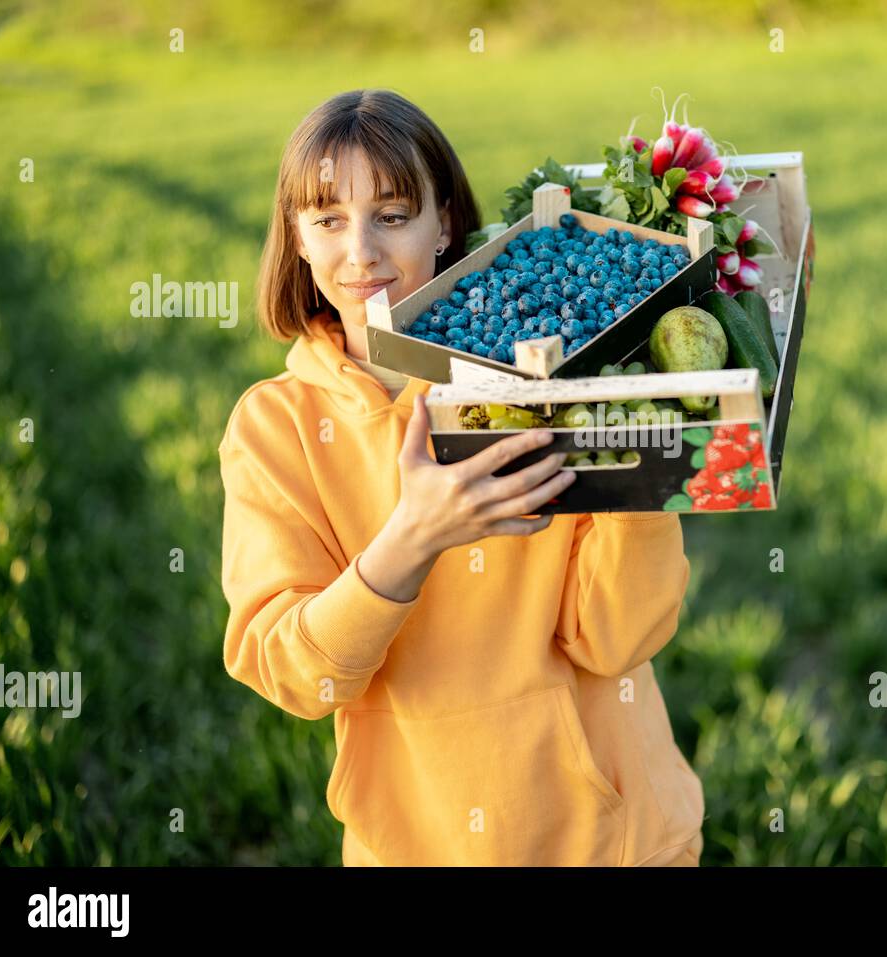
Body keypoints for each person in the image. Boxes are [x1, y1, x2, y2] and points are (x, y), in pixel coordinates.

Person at [218, 89, 704, 866]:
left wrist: (636, 462)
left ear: (444, 223)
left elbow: (618, 638)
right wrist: (412, 540)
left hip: (612, 838)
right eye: (329, 220)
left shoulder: (535, 378)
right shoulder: (274, 430)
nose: (361, 253)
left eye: (392, 213)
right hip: (418, 843)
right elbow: (294, 672)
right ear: (297, 241)